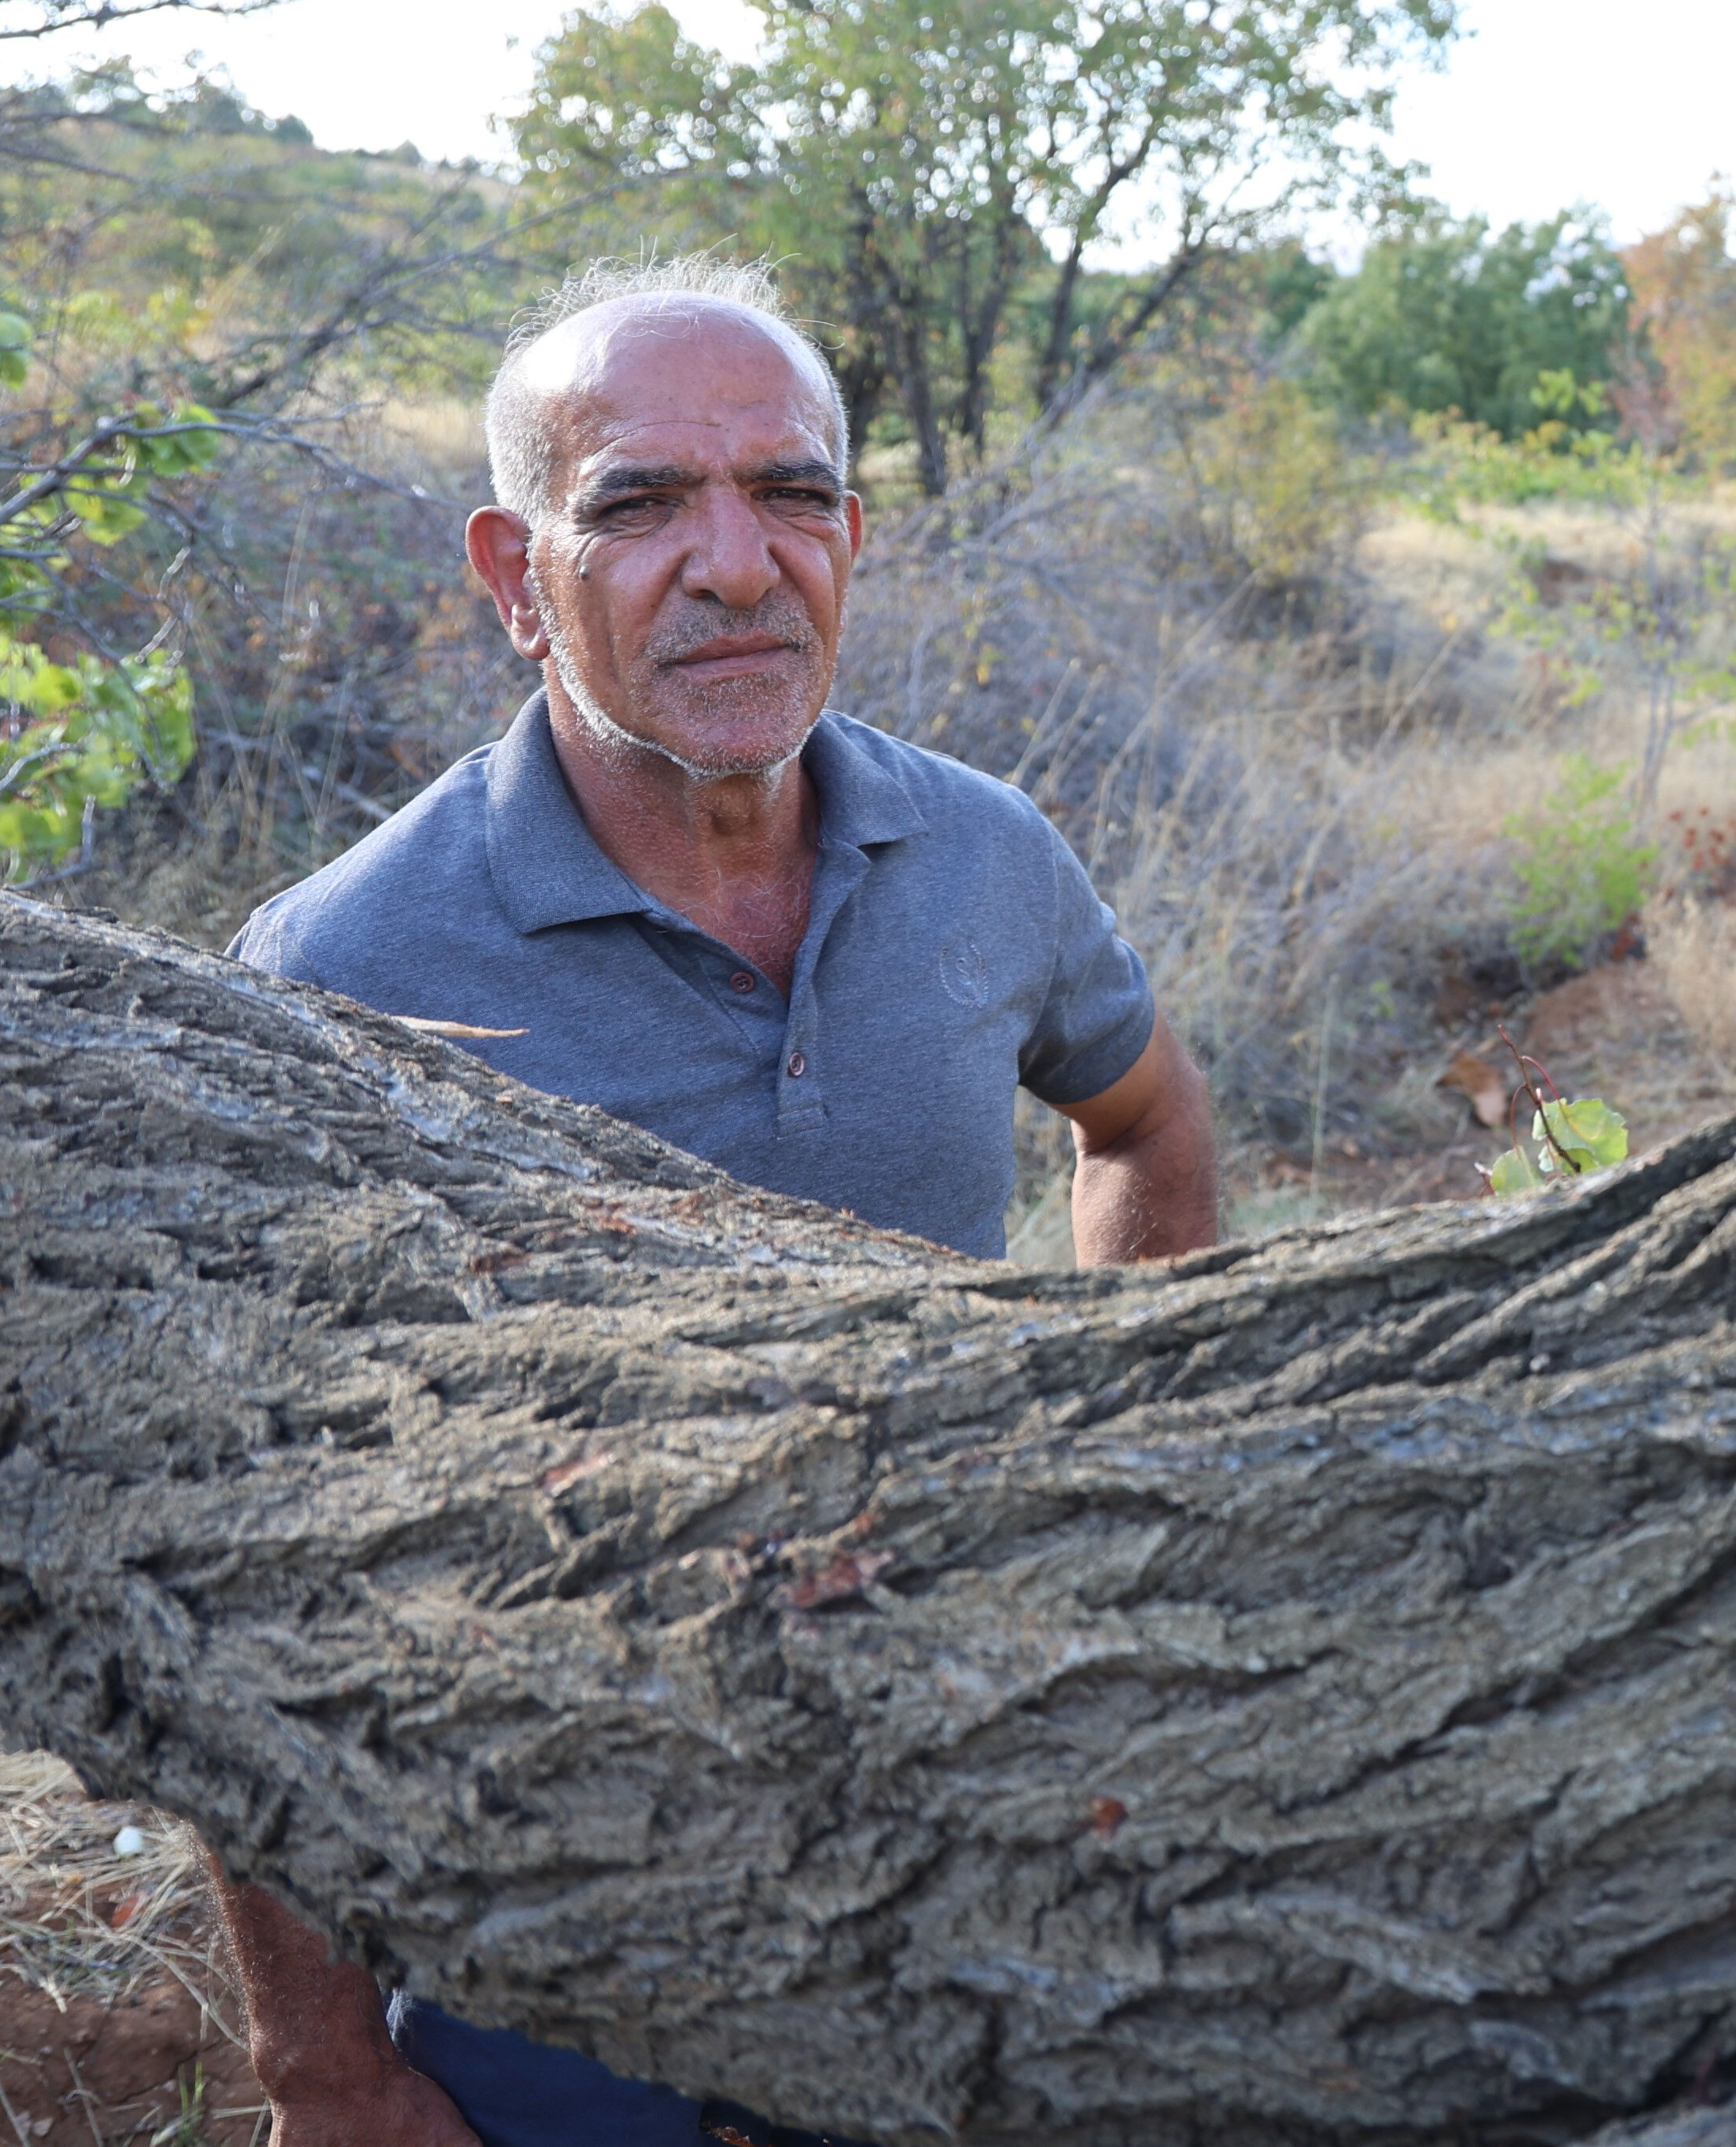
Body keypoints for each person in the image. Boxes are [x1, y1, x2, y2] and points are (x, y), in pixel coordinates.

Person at [211, 259, 1219, 2147]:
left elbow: (1144, 1123)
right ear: (516, 579)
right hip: (551, 1903)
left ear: (857, 533)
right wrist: (323, 2063)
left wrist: (1115, 1438)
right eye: (643, 502)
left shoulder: (987, 855)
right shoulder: (347, 965)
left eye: (791, 491)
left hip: (952, 1820)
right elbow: (230, 1548)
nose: (740, 563)